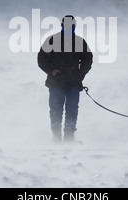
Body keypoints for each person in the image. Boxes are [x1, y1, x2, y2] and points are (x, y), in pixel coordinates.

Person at [38, 15, 93, 143]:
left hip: (73, 84)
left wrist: (80, 74)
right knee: (56, 111)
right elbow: (41, 60)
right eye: (66, 26)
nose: (69, 28)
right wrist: (52, 71)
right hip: (55, 83)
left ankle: (69, 138)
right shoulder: (52, 40)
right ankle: (56, 137)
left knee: (72, 111)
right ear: (62, 25)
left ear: (74, 26)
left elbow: (88, 60)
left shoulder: (80, 42)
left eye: (71, 26)